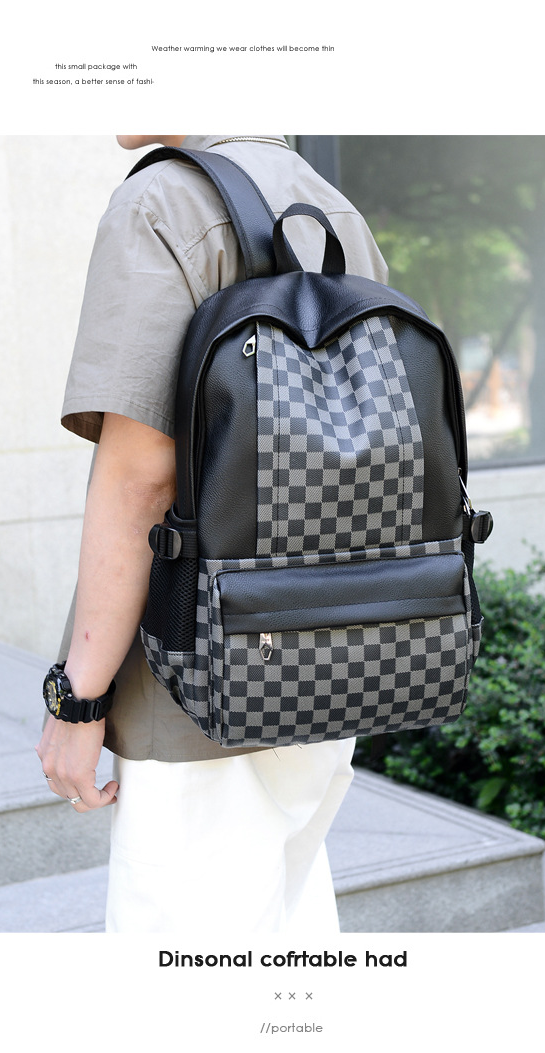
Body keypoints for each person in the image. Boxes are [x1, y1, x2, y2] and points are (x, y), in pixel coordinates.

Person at [36, 135, 390, 932]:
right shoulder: (327, 201)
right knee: (290, 929)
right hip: (343, 655)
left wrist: (76, 699)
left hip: (198, 684)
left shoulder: (159, 202)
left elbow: (143, 479)